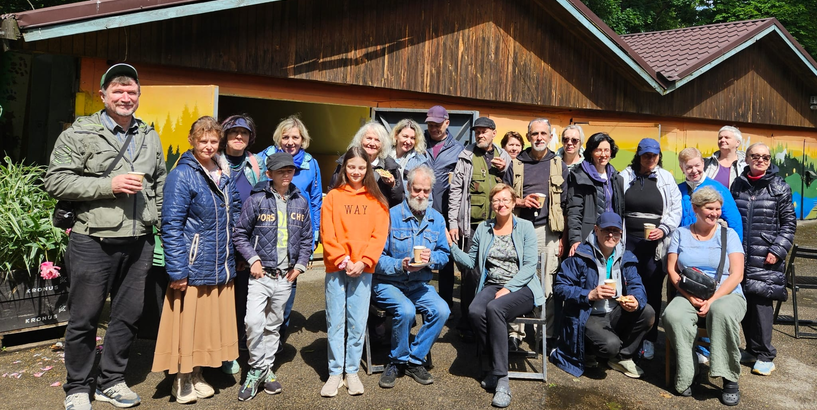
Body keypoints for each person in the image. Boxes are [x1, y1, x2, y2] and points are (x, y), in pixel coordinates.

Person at [44, 63, 166, 410]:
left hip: (139, 241)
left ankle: (112, 380)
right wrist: (107, 185)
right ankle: (77, 386)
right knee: (84, 318)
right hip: (91, 240)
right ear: (103, 95)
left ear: (139, 97)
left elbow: (159, 181)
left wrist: (154, 219)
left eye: (132, 92)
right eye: (118, 90)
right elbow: (55, 181)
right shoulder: (79, 134)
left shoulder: (149, 135)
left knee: (127, 316)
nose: (125, 97)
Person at [152, 116, 241, 404]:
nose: (208, 146)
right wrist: (177, 269)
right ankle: (181, 378)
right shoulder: (183, 174)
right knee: (187, 327)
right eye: (203, 140)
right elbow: (171, 224)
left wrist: (237, 254)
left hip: (220, 263)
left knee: (205, 328)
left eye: (214, 141)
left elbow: (234, 212)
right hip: (194, 266)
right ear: (192, 140)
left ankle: (198, 373)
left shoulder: (221, 170)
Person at [449, 184, 544, 409]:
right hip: (493, 284)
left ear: (513, 203)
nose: (500, 204)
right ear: (492, 205)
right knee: (474, 310)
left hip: (523, 287)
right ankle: (494, 361)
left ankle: (502, 379)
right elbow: (471, 262)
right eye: (496, 201)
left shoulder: (526, 227)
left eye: (505, 200)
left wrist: (509, 288)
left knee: (495, 309)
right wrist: (451, 246)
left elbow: (530, 265)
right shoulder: (484, 228)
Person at [232, 152, 313, 401]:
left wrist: (299, 267)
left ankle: (263, 370)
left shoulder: (300, 201)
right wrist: (253, 259)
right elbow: (239, 234)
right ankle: (258, 367)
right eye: (281, 171)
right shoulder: (257, 200)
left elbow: (307, 239)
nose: (287, 175)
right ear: (269, 174)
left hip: (285, 276)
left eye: (290, 171)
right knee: (253, 323)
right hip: (261, 275)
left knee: (273, 326)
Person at [663, 187, 746, 406]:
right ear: (696, 209)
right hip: (690, 293)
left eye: (718, 209)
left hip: (727, 293)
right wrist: (688, 297)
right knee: (673, 314)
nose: (715, 213)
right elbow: (672, 271)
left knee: (720, 312)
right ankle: (687, 371)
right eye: (710, 208)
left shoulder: (729, 235)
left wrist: (713, 298)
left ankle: (729, 378)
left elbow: (737, 274)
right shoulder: (680, 234)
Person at [320, 147, 390, 397]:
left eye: (362, 167)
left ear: (368, 169)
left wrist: (363, 261)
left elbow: (378, 236)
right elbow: (328, 233)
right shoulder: (333, 198)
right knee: (335, 321)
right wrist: (344, 260)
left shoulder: (377, 201)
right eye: (352, 167)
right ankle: (335, 373)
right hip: (336, 268)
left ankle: (352, 371)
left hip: (364, 268)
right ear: (344, 168)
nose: (356, 172)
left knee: (357, 322)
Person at [373, 165, 451, 389]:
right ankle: (396, 361)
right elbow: (376, 258)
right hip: (389, 283)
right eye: (417, 189)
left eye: (426, 191)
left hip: (419, 284)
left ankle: (415, 359)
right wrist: (401, 264)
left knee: (442, 310)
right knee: (405, 310)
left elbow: (445, 254)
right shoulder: (390, 216)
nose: (421, 195)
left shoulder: (437, 219)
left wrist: (431, 259)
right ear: (407, 188)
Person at [551, 212, 654, 378]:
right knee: (609, 345)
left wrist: (636, 300)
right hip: (587, 313)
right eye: (606, 230)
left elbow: (637, 284)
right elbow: (560, 288)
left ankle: (622, 357)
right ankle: (587, 351)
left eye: (616, 231)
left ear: (621, 234)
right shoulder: (580, 256)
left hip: (614, 311)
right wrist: (589, 294)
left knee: (647, 312)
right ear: (596, 230)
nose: (611, 235)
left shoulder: (626, 257)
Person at [257, 116, 323, 355]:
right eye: (285, 137)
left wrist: (314, 233)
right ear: (278, 138)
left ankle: (278, 338)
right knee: (261, 289)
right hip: (267, 232)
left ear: (303, 140)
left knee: (288, 286)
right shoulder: (263, 159)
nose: (290, 141)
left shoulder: (310, 163)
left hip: (296, 233)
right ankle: (256, 338)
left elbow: (315, 200)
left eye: (295, 137)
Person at [731, 143, 796, 376]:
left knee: (761, 304)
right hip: (740, 255)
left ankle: (766, 355)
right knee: (745, 302)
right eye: (755, 156)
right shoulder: (737, 185)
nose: (761, 160)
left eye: (765, 157)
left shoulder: (780, 187)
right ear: (746, 158)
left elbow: (789, 224)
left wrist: (778, 250)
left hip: (766, 255)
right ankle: (751, 348)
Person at [503, 118, 568, 352]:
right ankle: (515, 334)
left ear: (550, 137)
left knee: (547, 283)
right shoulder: (517, 164)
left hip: (548, 231)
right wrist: (520, 200)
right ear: (528, 137)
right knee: (516, 280)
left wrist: (562, 238)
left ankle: (545, 335)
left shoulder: (559, 165)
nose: (539, 137)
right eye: (534, 134)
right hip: (520, 229)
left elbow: (568, 205)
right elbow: (504, 197)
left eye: (543, 133)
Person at [448, 117, 511, 341]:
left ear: (494, 133)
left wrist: (507, 170)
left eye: (484, 132)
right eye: (477, 132)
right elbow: (455, 190)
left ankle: (491, 320)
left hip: (499, 226)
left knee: (496, 274)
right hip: (473, 227)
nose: (480, 135)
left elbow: (512, 191)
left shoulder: (504, 158)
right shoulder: (466, 156)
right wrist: (453, 222)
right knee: (471, 274)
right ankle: (466, 322)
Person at [620, 138, 682, 360]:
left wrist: (664, 229)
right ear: (638, 154)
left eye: (654, 155)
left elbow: (676, 208)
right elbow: (615, 205)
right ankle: (626, 335)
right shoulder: (625, 176)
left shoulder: (665, 178)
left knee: (653, 290)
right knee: (626, 288)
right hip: (628, 241)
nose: (650, 159)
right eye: (646, 154)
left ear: (659, 156)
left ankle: (649, 338)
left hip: (654, 244)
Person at [219, 114, 265, 374]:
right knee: (220, 297)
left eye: (244, 133)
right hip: (218, 240)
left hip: (247, 242)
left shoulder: (255, 164)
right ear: (224, 135)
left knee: (243, 299)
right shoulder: (214, 162)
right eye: (234, 132)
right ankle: (223, 350)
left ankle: (237, 346)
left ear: (250, 138)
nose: (239, 136)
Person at [423, 105, 466, 309]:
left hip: (445, 212)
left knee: (446, 262)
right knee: (417, 257)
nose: (433, 128)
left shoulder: (458, 150)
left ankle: (446, 304)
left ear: (447, 123)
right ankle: (419, 304)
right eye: (430, 124)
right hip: (420, 211)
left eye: (437, 124)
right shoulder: (418, 144)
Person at [566, 132, 624, 256]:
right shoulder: (578, 176)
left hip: (610, 236)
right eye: (598, 150)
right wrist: (575, 239)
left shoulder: (616, 177)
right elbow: (574, 211)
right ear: (591, 152)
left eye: (606, 150)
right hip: (588, 235)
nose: (603, 155)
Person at [331, 122, 404, 208]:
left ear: (383, 144)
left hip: (377, 216)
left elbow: (399, 200)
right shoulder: (346, 162)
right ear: (360, 140)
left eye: (377, 140)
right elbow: (333, 191)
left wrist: (392, 186)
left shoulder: (390, 167)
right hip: (350, 213)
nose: (372, 144)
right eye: (369, 138)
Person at [677, 147, 743, 240]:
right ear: (682, 168)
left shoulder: (718, 189)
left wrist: (736, 250)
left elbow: (734, 221)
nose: (694, 170)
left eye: (697, 165)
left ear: (703, 164)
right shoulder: (677, 190)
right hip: (683, 243)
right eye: (689, 167)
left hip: (710, 244)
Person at [389, 118, 430, 203]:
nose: (408, 141)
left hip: (405, 208)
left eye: (413, 138)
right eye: (405, 136)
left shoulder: (419, 161)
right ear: (396, 135)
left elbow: (427, 193)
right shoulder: (384, 155)